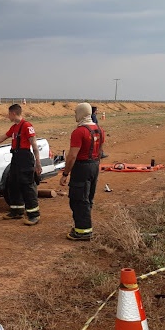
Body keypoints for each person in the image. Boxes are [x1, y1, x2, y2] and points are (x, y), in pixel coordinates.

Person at [0, 104, 43, 225]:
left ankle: (34, 215)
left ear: (13, 113)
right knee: (13, 183)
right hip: (16, 158)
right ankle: (16, 210)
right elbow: (3, 137)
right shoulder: (14, 127)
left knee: (27, 186)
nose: (8, 116)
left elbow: (34, 145)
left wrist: (38, 163)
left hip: (25, 158)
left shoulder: (27, 126)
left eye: (9, 114)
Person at [59, 103, 105, 241]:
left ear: (81, 113)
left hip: (82, 168)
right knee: (88, 197)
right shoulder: (99, 129)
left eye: (76, 112)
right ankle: (83, 226)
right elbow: (101, 150)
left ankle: (83, 231)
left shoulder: (79, 132)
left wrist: (65, 174)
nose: (74, 115)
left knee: (78, 199)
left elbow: (72, 156)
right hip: (94, 165)